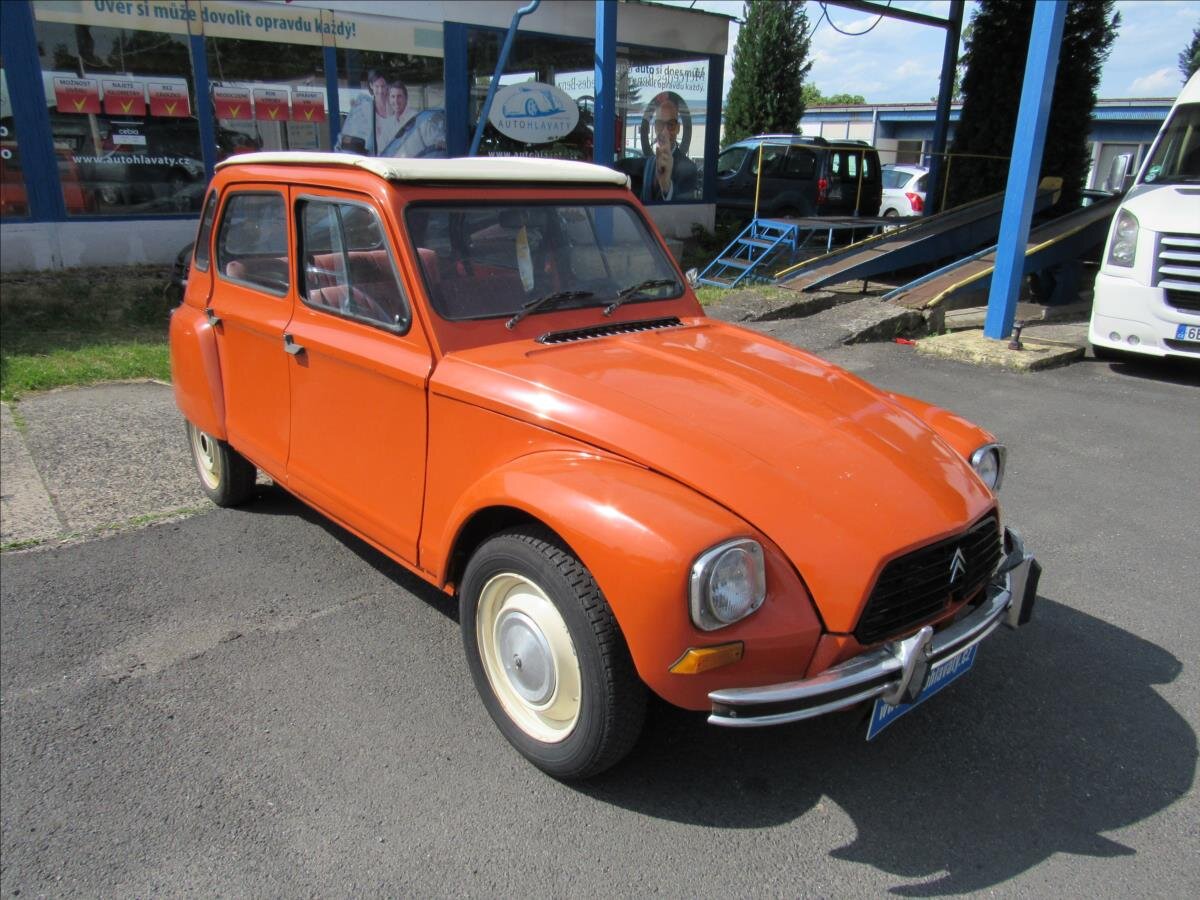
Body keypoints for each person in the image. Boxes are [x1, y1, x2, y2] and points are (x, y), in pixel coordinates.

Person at [641, 93, 698, 202]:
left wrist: (666, 187)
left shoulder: (689, 169)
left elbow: (685, 208)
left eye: (671, 125)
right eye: (660, 124)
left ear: (678, 128)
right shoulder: (649, 163)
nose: (665, 132)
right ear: (655, 127)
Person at [337, 70, 392, 155]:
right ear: (371, 86)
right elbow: (349, 138)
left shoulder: (395, 108)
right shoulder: (362, 110)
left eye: (383, 86)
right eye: (377, 86)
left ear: (387, 86)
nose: (380, 90)